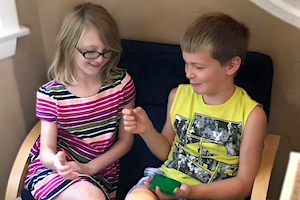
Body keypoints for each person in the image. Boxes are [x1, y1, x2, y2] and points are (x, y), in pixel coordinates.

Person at [122, 12, 267, 200]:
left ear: (231, 66)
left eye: (198, 67)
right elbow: (165, 152)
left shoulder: (252, 115)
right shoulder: (178, 95)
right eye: (186, 64)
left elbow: (243, 185)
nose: (189, 73)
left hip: (210, 194)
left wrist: (192, 192)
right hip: (168, 182)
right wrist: (147, 130)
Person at [24, 3, 135, 200]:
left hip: (99, 171)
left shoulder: (122, 84)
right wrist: (57, 164)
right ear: (69, 46)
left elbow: (126, 141)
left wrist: (89, 168)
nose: (100, 59)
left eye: (107, 50)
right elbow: (46, 151)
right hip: (57, 172)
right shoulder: (51, 95)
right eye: (90, 51)